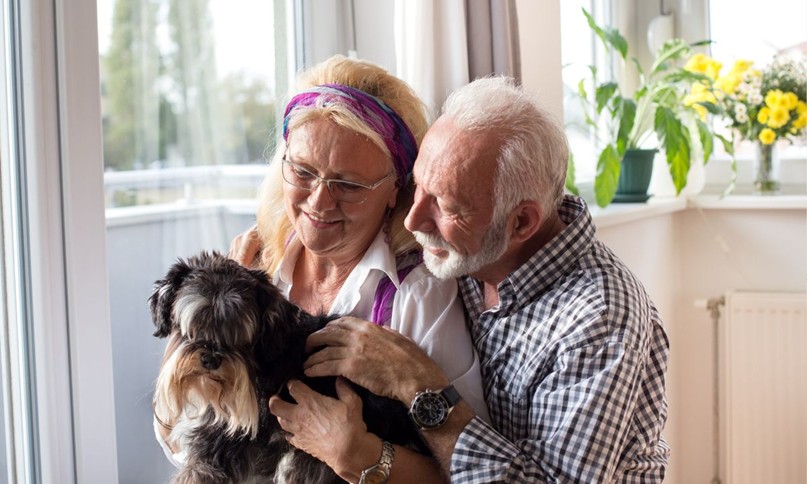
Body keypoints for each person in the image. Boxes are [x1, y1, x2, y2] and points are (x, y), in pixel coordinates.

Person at [291, 76, 671, 482]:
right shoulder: (469, 254)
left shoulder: (599, 318)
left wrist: (421, 386)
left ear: (521, 221)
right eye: (418, 187)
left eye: (446, 206)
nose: (413, 219)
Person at [155, 55, 490, 483]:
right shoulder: (252, 265)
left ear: (395, 189)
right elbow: (176, 432)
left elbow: (468, 472)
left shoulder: (418, 296)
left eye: (349, 184)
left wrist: (363, 453)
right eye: (303, 171)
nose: (319, 201)